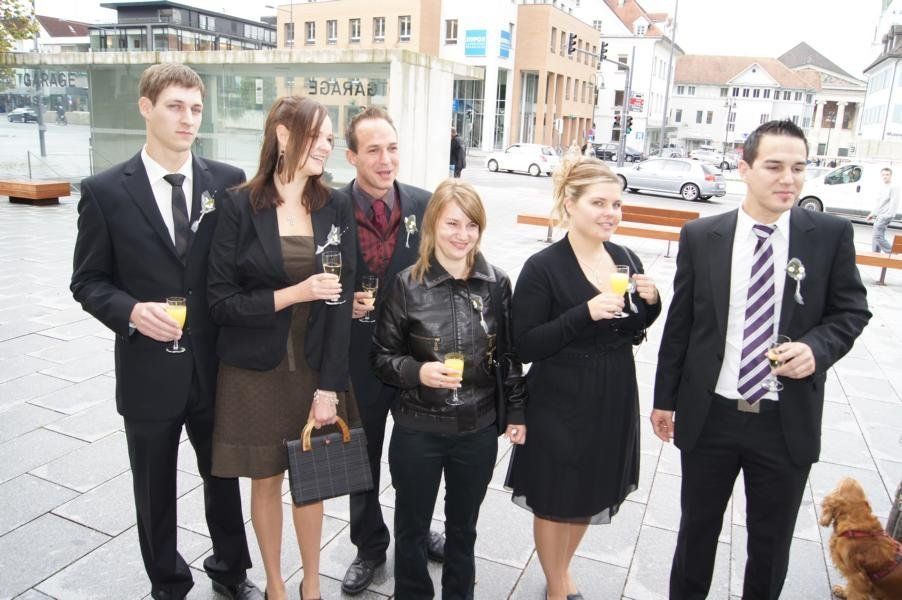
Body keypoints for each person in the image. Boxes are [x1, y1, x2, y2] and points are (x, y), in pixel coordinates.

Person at [651, 120, 872, 600]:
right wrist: (664, 399)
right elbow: (682, 324)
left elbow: (852, 311)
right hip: (711, 414)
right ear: (744, 168)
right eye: (774, 166)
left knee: (770, 545)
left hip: (783, 420)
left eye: (798, 168)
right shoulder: (702, 235)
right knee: (695, 533)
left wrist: (816, 349)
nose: (788, 179)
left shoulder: (829, 235)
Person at [70, 63, 260, 600]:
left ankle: (230, 570)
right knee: (153, 488)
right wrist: (131, 311)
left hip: (216, 365)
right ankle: (168, 583)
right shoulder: (105, 191)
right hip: (148, 371)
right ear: (146, 107)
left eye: (196, 109)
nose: (188, 119)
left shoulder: (227, 181)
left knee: (223, 477)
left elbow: (246, 265)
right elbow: (87, 281)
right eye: (176, 106)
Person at [206, 95, 355, 600]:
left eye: (331, 138)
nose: (327, 147)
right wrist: (294, 293)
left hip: (313, 366)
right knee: (265, 479)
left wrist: (330, 387)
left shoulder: (336, 205)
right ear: (285, 136)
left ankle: (311, 583)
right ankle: (275, 584)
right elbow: (220, 301)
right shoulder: (237, 206)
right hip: (253, 371)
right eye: (318, 136)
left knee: (312, 478)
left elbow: (340, 304)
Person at [504, 155, 661, 600]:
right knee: (556, 496)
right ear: (570, 204)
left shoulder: (624, 257)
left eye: (617, 204)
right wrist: (583, 313)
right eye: (599, 202)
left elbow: (631, 326)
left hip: (613, 391)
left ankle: (561, 570)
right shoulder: (543, 267)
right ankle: (556, 584)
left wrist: (652, 303)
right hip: (559, 395)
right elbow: (525, 345)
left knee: (591, 490)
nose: (611, 213)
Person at [371, 179, 527, 598]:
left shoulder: (496, 283)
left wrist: (516, 411)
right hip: (418, 428)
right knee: (411, 528)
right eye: (452, 223)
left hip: (477, 429)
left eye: (472, 225)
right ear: (432, 225)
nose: (463, 235)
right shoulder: (406, 285)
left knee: (464, 528)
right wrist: (418, 372)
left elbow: (509, 355)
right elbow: (381, 357)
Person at [334, 106, 445, 595]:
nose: (386, 160)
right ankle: (369, 545)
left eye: (393, 148)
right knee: (361, 455)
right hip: (357, 357)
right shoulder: (329, 207)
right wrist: (343, 303)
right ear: (352, 156)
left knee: (418, 454)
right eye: (374, 150)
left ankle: (417, 532)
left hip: (416, 357)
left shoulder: (425, 204)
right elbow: (310, 277)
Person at [866, 167, 899, 253]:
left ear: (891, 176)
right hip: (880, 215)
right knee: (875, 236)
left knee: (877, 236)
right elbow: (879, 203)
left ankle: (893, 254)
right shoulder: (883, 186)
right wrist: (872, 214)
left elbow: (894, 203)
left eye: (887, 175)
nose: (885, 176)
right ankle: (875, 255)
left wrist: (887, 216)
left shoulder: (894, 187)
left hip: (885, 216)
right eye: (883, 175)